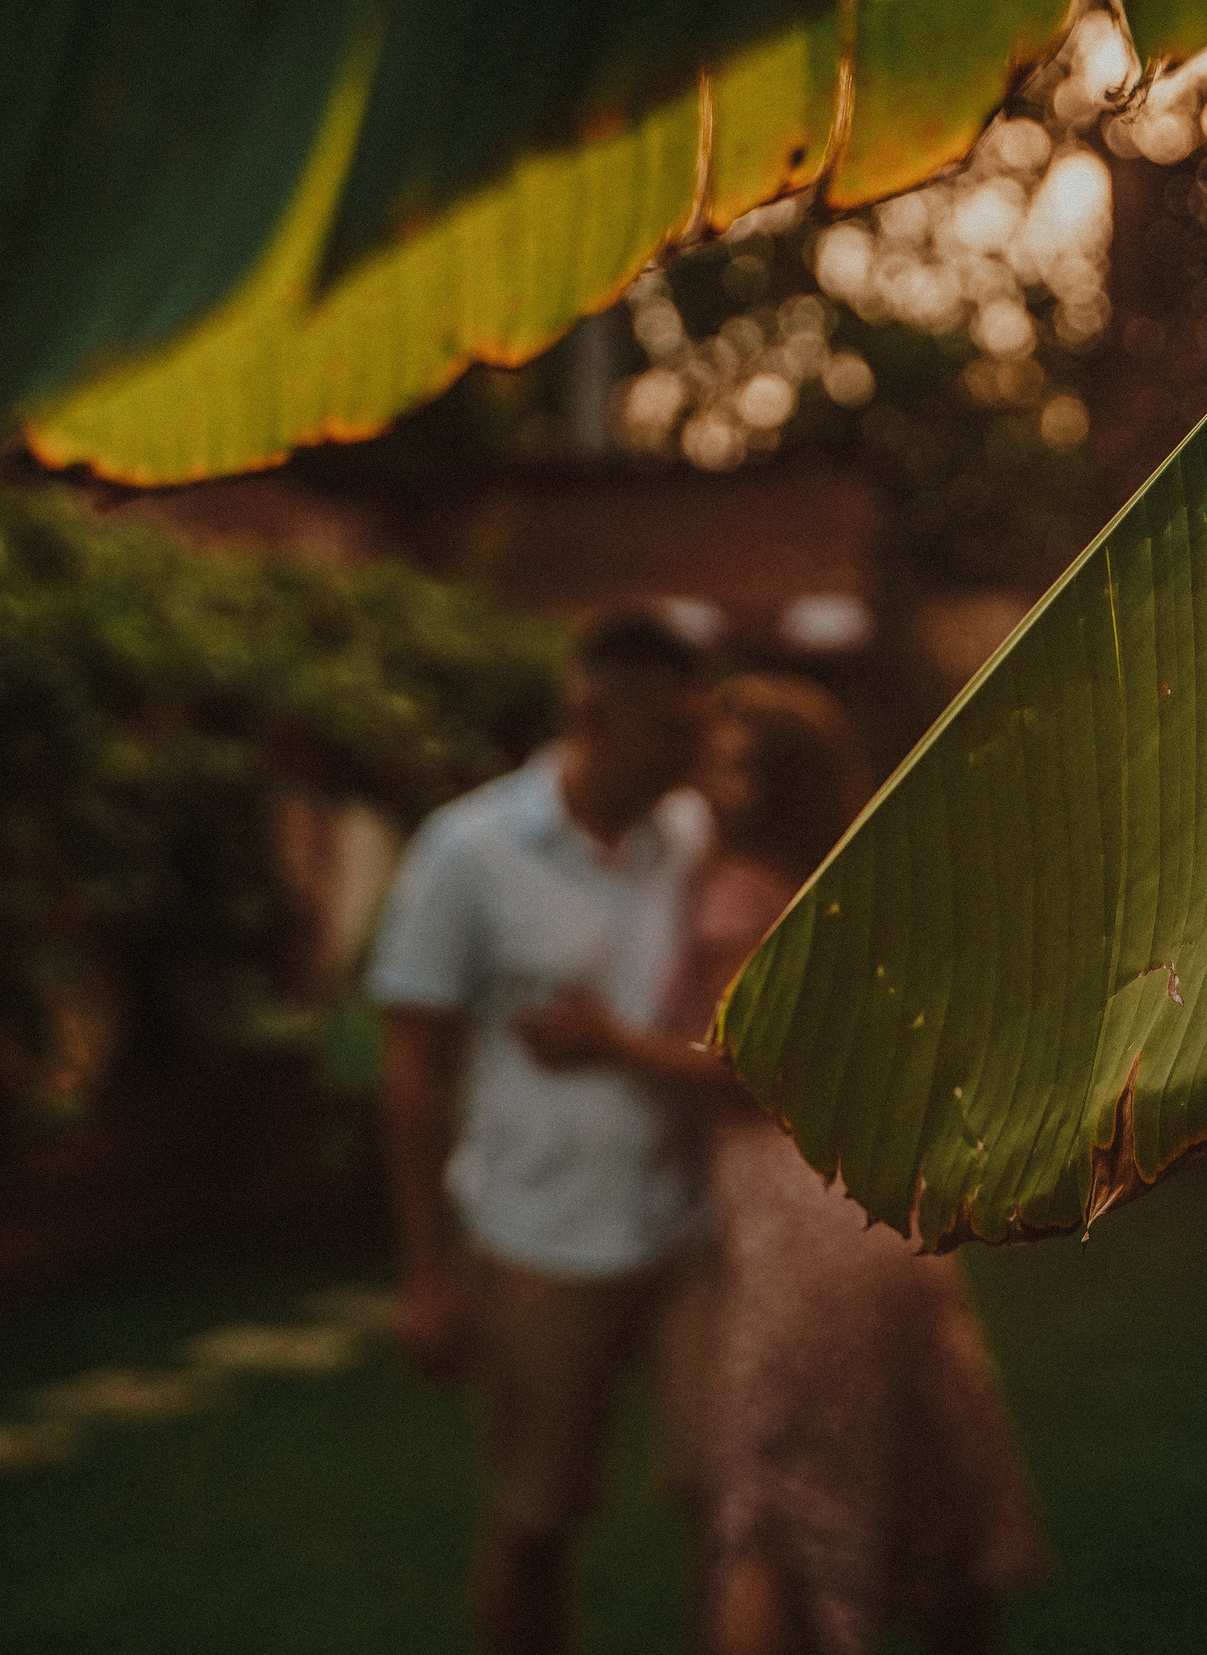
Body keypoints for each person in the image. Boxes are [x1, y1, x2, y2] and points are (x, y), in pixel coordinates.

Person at [518, 673, 1050, 1655]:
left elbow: (748, 1071)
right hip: (879, 1206)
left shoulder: (729, 897)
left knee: (775, 1500)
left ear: (765, 786)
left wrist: (604, 1040)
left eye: (724, 764)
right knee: (925, 1471)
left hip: (791, 1214)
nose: (701, 780)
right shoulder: (834, 884)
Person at [366, 605, 718, 1655]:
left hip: (691, 1232)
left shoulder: (689, 835)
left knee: (732, 1501)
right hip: (537, 1242)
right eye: (670, 731)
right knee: (536, 1522)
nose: (689, 755)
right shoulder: (466, 852)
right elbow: (410, 1063)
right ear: (591, 715)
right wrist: (428, 1276)